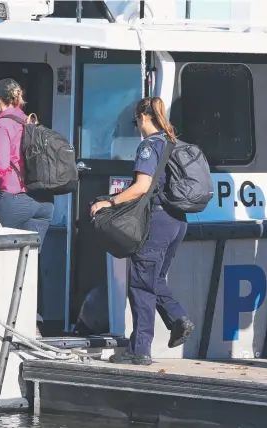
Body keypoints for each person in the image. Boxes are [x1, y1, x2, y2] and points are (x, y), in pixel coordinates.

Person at [90, 96, 195, 365]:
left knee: (140, 284)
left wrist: (109, 201)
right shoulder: (173, 142)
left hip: (158, 222)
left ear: (143, 118)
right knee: (155, 278)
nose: (136, 125)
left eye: (136, 120)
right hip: (178, 221)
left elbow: (142, 186)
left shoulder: (148, 146)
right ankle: (177, 319)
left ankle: (139, 351)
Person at [0, 78, 54, 336]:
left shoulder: (2, 122)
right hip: (44, 203)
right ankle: (33, 325)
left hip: (14, 198)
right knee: (28, 263)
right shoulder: (30, 120)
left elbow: (0, 166)